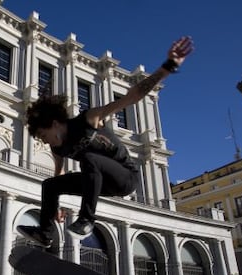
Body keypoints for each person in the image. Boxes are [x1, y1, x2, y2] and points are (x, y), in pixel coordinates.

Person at [17, 36, 194, 248]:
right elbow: (59, 175)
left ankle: (86, 220)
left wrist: (168, 66)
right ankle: (45, 233)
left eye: (43, 135)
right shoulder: (58, 147)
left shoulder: (89, 118)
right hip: (98, 182)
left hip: (125, 178)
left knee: (90, 158)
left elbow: (131, 97)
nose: (45, 142)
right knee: (50, 185)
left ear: (54, 123)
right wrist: (55, 205)